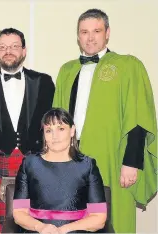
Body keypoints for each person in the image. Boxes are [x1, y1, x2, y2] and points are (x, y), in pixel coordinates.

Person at [52, 8, 157, 233]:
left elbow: (139, 118)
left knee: (116, 220)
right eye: (84, 32)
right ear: (78, 36)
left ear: (107, 33)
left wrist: (132, 162)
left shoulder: (128, 65)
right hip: (74, 160)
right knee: (74, 221)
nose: (90, 37)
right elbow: (57, 122)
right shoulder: (67, 70)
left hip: (114, 158)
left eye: (96, 31)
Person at [0, 27, 54, 233]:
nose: (8, 51)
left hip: (34, 160)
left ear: (24, 51)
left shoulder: (44, 82)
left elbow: (52, 120)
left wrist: (42, 149)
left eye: (14, 46)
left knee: (36, 219)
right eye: (2, 47)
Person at [13, 108, 107, 233]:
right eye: (48, 130)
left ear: (72, 131)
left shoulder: (88, 165)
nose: (54, 136)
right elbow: (19, 213)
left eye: (61, 129)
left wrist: (65, 230)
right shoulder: (29, 164)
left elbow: (99, 218)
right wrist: (41, 227)